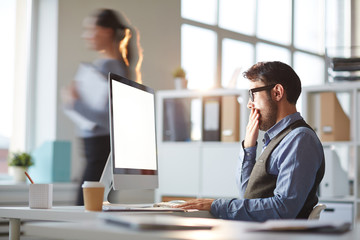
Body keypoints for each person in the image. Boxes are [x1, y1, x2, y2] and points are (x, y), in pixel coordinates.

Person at [177, 61, 325, 221]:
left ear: (277, 92)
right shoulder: (277, 139)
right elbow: (248, 194)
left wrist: (217, 205)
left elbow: (283, 208)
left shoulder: (299, 139)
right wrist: (249, 146)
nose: (249, 104)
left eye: (253, 94)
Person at [62, 9, 143, 205]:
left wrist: (73, 102)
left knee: (86, 210)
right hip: (98, 150)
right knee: (91, 209)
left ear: (106, 32)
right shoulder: (112, 66)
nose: (86, 35)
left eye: (91, 29)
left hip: (100, 149)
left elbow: (107, 118)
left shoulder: (109, 67)